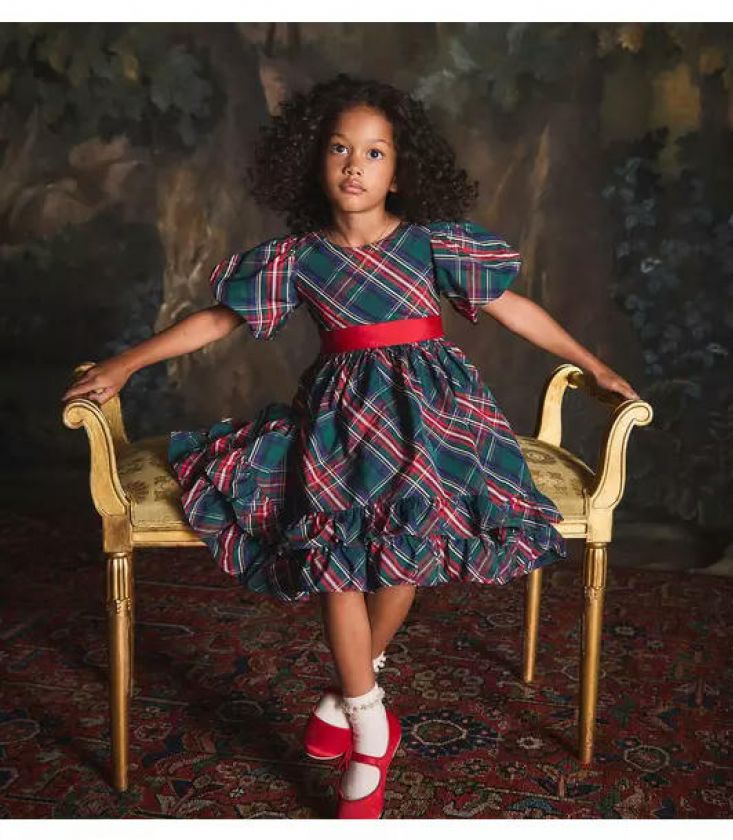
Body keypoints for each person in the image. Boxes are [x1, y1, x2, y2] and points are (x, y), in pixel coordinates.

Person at [61, 73, 640, 818]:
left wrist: (594, 365)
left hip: (434, 417)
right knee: (336, 552)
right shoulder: (298, 257)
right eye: (339, 149)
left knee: (409, 541)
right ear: (315, 161)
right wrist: (126, 362)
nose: (354, 166)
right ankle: (369, 725)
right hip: (342, 423)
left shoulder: (431, 244)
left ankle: (345, 695)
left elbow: (514, 309)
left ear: (399, 171)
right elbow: (215, 321)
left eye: (373, 152)